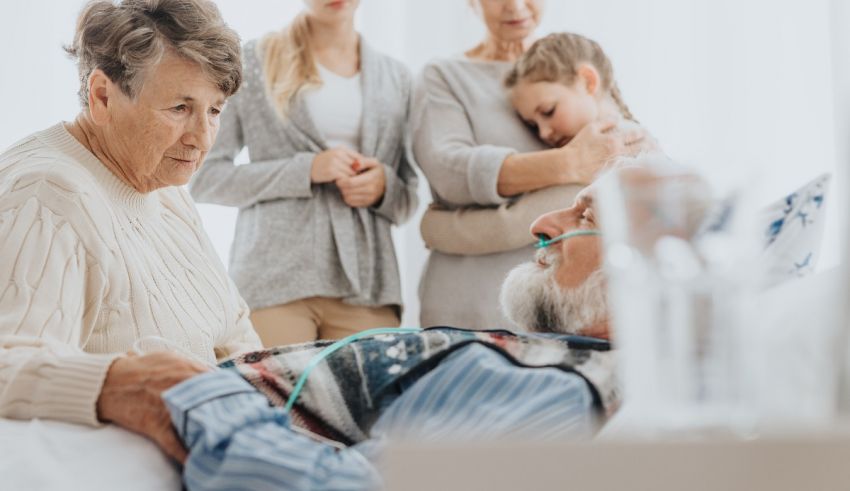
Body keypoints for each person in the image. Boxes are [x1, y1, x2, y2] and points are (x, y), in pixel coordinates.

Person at [158, 188, 618, 491]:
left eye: (586, 213)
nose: (541, 223)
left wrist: (195, 397)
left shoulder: (557, 387)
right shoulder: (545, 366)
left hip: (171, 434)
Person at [0, 0, 263, 462]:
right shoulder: (46, 194)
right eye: (180, 107)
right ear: (102, 95)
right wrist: (117, 382)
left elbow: (233, 326)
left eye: (215, 110)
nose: (202, 137)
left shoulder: (163, 186)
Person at [189, 0, 418, 347]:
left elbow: (409, 197)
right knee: (276, 400)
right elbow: (205, 178)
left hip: (367, 287)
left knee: (365, 402)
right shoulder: (254, 61)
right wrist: (306, 170)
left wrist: (383, 186)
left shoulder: (396, 77)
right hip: (275, 281)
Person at [412, 0, 645, 330]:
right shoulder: (444, 76)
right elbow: (451, 172)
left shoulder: (575, 74)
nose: (515, 6)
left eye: (547, 114)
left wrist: (445, 229)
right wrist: (569, 162)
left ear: (588, 82)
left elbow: (572, 213)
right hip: (466, 300)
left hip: (560, 312)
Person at [420, 31, 656, 259]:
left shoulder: (615, 152)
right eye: (532, 125)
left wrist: (433, 227)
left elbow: (508, 227)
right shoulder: (633, 139)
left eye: (548, 111)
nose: (544, 132)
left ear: (587, 81)